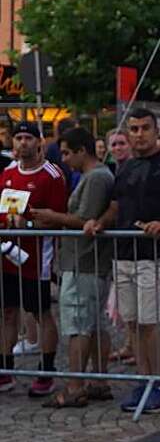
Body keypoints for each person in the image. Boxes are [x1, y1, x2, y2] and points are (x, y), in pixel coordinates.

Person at [84, 108, 160, 414]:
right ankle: (144, 380)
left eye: (144, 128)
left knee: (150, 324)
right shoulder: (125, 168)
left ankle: (159, 384)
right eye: (133, 129)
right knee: (131, 324)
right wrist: (100, 222)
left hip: (153, 257)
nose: (139, 134)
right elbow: (117, 207)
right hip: (124, 256)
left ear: (155, 130)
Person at [31, 127, 115, 408]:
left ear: (82, 151)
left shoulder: (96, 178)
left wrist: (53, 216)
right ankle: (97, 380)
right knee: (92, 322)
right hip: (86, 262)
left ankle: (76, 385)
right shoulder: (94, 177)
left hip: (84, 261)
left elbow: (85, 218)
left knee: (78, 324)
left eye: (67, 152)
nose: (64, 159)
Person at [0, 122, 67, 397]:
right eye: (19, 138)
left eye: (28, 137)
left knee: (40, 312)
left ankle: (47, 369)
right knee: (7, 312)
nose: (23, 143)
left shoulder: (51, 176)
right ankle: (5, 369)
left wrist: (28, 222)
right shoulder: (6, 173)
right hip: (7, 255)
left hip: (37, 257)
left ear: (39, 142)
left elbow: (59, 217)